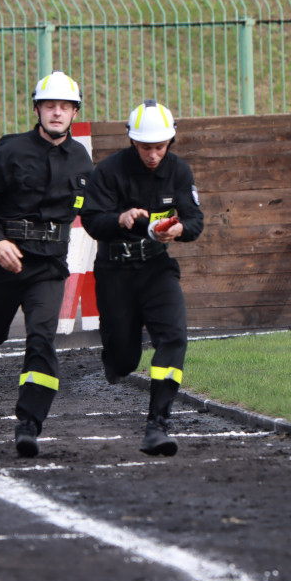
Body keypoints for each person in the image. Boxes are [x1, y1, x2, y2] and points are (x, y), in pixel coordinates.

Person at [0, 71, 93, 458]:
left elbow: (96, 210)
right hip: (8, 262)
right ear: (37, 109)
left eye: (65, 107)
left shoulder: (81, 160)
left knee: (42, 339)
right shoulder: (11, 151)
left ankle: (29, 423)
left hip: (49, 268)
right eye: (50, 106)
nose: (57, 113)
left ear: (74, 112)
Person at [80, 100, 204, 456]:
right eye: (146, 147)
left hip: (156, 269)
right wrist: (119, 219)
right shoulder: (108, 171)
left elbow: (195, 220)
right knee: (124, 361)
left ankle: (158, 424)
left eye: (160, 147)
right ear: (132, 141)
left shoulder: (179, 171)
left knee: (174, 337)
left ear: (170, 142)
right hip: (115, 271)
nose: (153, 155)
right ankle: (114, 357)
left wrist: (179, 229)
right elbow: (91, 221)